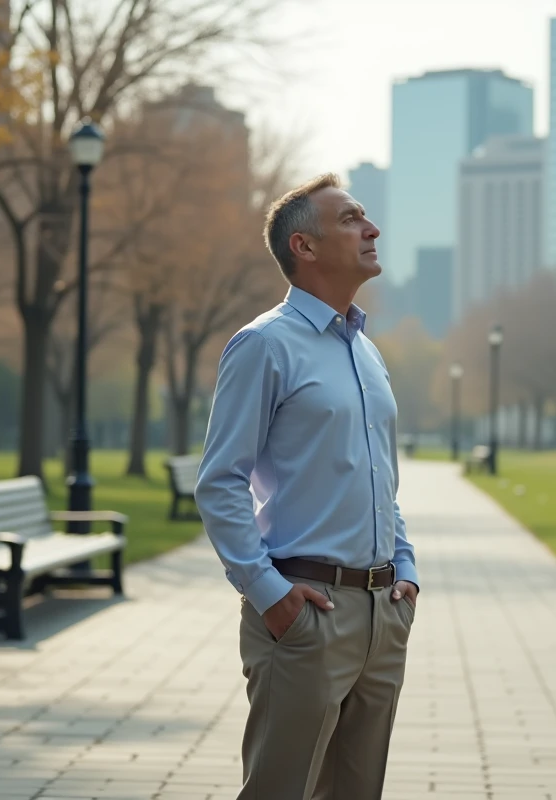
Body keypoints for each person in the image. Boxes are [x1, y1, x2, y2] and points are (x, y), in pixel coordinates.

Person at [195, 172, 419, 799]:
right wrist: (269, 593)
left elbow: (381, 481)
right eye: (351, 218)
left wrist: (404, 570)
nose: (371, 229)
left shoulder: (367, 352)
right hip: (306, 613)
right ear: (305, 246)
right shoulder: (263, 345)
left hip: (382, 614)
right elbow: (220, 482)